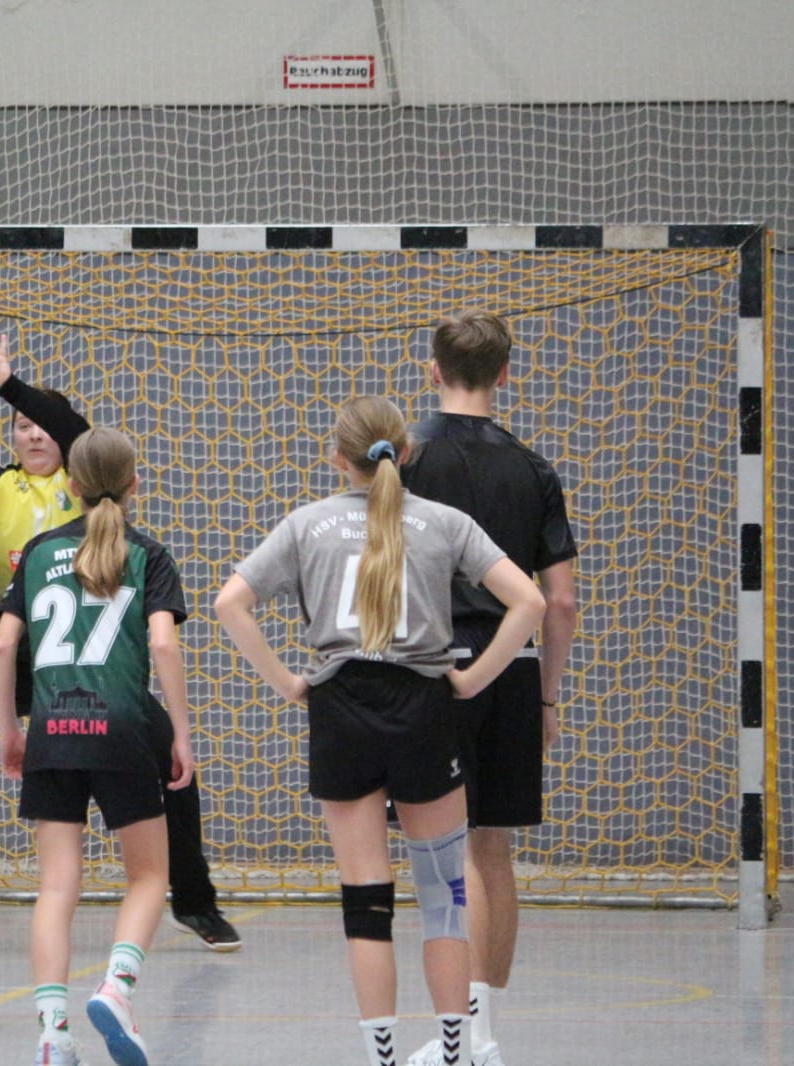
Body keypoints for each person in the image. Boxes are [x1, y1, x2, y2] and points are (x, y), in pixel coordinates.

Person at [213, 396, 546, 1066]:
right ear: (407, 452)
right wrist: (472, 679)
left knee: (365, 901)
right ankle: (453, 1052)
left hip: (341, 708)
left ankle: (382, 1058)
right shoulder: (445, 522)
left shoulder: (307, 523)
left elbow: (230, 602)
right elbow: (531, 601)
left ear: (336, 458)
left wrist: (288, 683)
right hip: (423, 706)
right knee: (443, 895)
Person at [0, 330, 239, 952]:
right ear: (10, 439)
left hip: (85, 658)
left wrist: (9, 387)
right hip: (9, 643)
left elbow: (77, 432)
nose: (33, 434)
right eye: (21, 427)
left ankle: (194, 900)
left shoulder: (86, 481)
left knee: (169, 760)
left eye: (41, 424)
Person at [400, 312, 578, 1066]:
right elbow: (560, 600)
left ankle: (449, 1035)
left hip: (426, 669)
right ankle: (482, 1035)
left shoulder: (401, 457)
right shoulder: (532, 468)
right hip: (511, 666)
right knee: (492, 850)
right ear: (505, 373)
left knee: (436, 853)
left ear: (432, 370)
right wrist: (546, 696)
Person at [0, 425, 196, 1066]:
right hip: (124, 731)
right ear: (135, 484)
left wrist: (10, 728)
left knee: (57, 887)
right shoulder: (148, 553)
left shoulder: (38, 550)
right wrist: (181, 732)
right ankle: (117, 987)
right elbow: (163, 644)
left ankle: (53, 1033)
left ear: (72, 485)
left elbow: (3, 644)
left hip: (53, 732)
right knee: (149, 876)